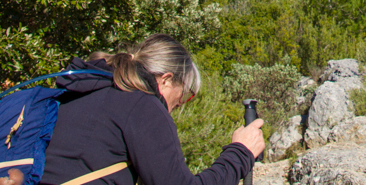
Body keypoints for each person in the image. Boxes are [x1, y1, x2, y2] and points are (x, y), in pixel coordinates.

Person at [40, 33, 264, 185]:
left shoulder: (79, 91)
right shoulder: (140, 104)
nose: (177, 106)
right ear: (166, 80)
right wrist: (241, 152)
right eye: (184, 96)